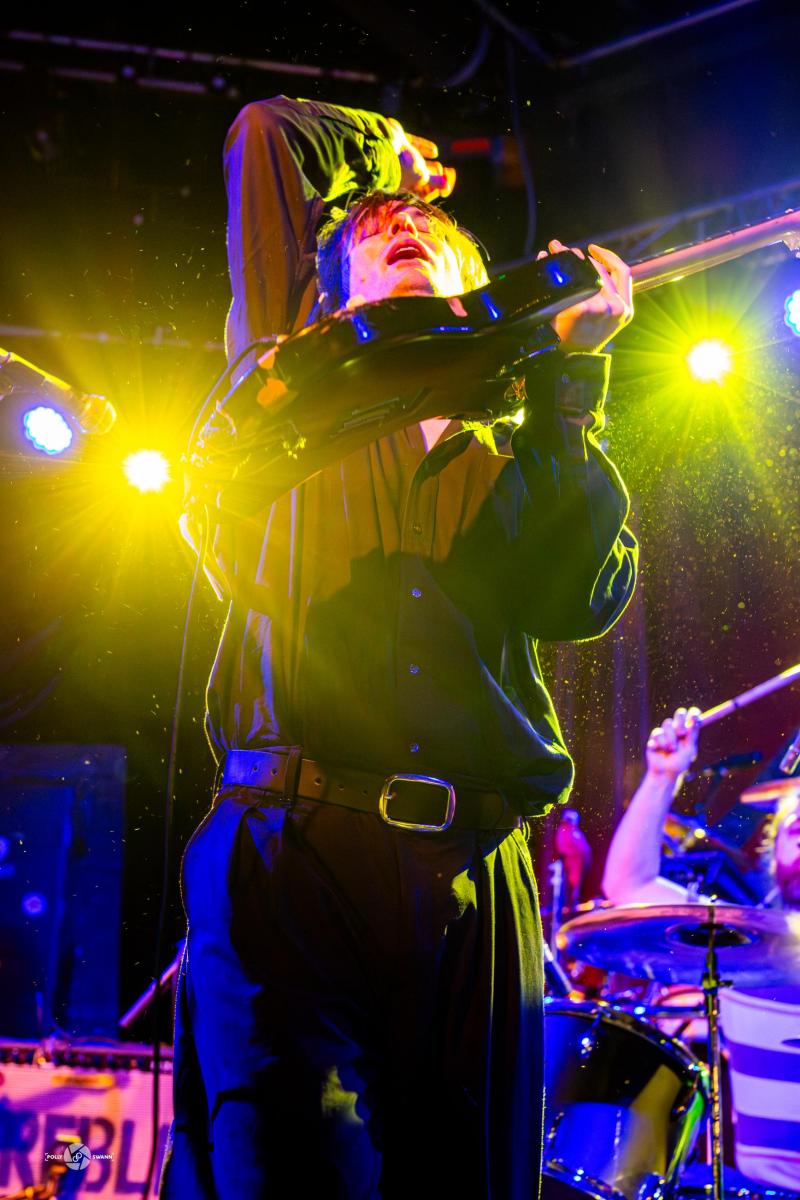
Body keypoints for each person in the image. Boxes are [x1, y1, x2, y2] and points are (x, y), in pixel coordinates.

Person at [161, 94, 638, 1199]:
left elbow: (576, 598)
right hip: (290, 850)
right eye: (376, 234)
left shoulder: (521, 451)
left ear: (479, 289)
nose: (405, 228)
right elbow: (271, 132)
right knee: (293, 1175)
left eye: (427, 229)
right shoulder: (293, 387)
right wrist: (394, 159)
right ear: (332, 293)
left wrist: (569, 384)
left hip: (473, 869)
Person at [603, 707, 800, 1191]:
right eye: (794, 821)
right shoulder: (744, 944)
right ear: (773, 850)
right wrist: (662, 777)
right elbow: (630, 885)